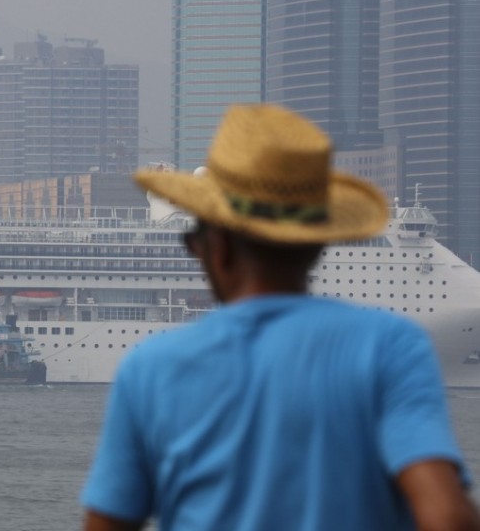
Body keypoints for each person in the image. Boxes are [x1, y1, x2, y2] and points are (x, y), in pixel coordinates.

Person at [81, 104, 480, 531]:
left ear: (213, 248)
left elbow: (106, 523)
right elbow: (446, 515)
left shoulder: (151, 367)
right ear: (317, 244)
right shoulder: (390, 346)